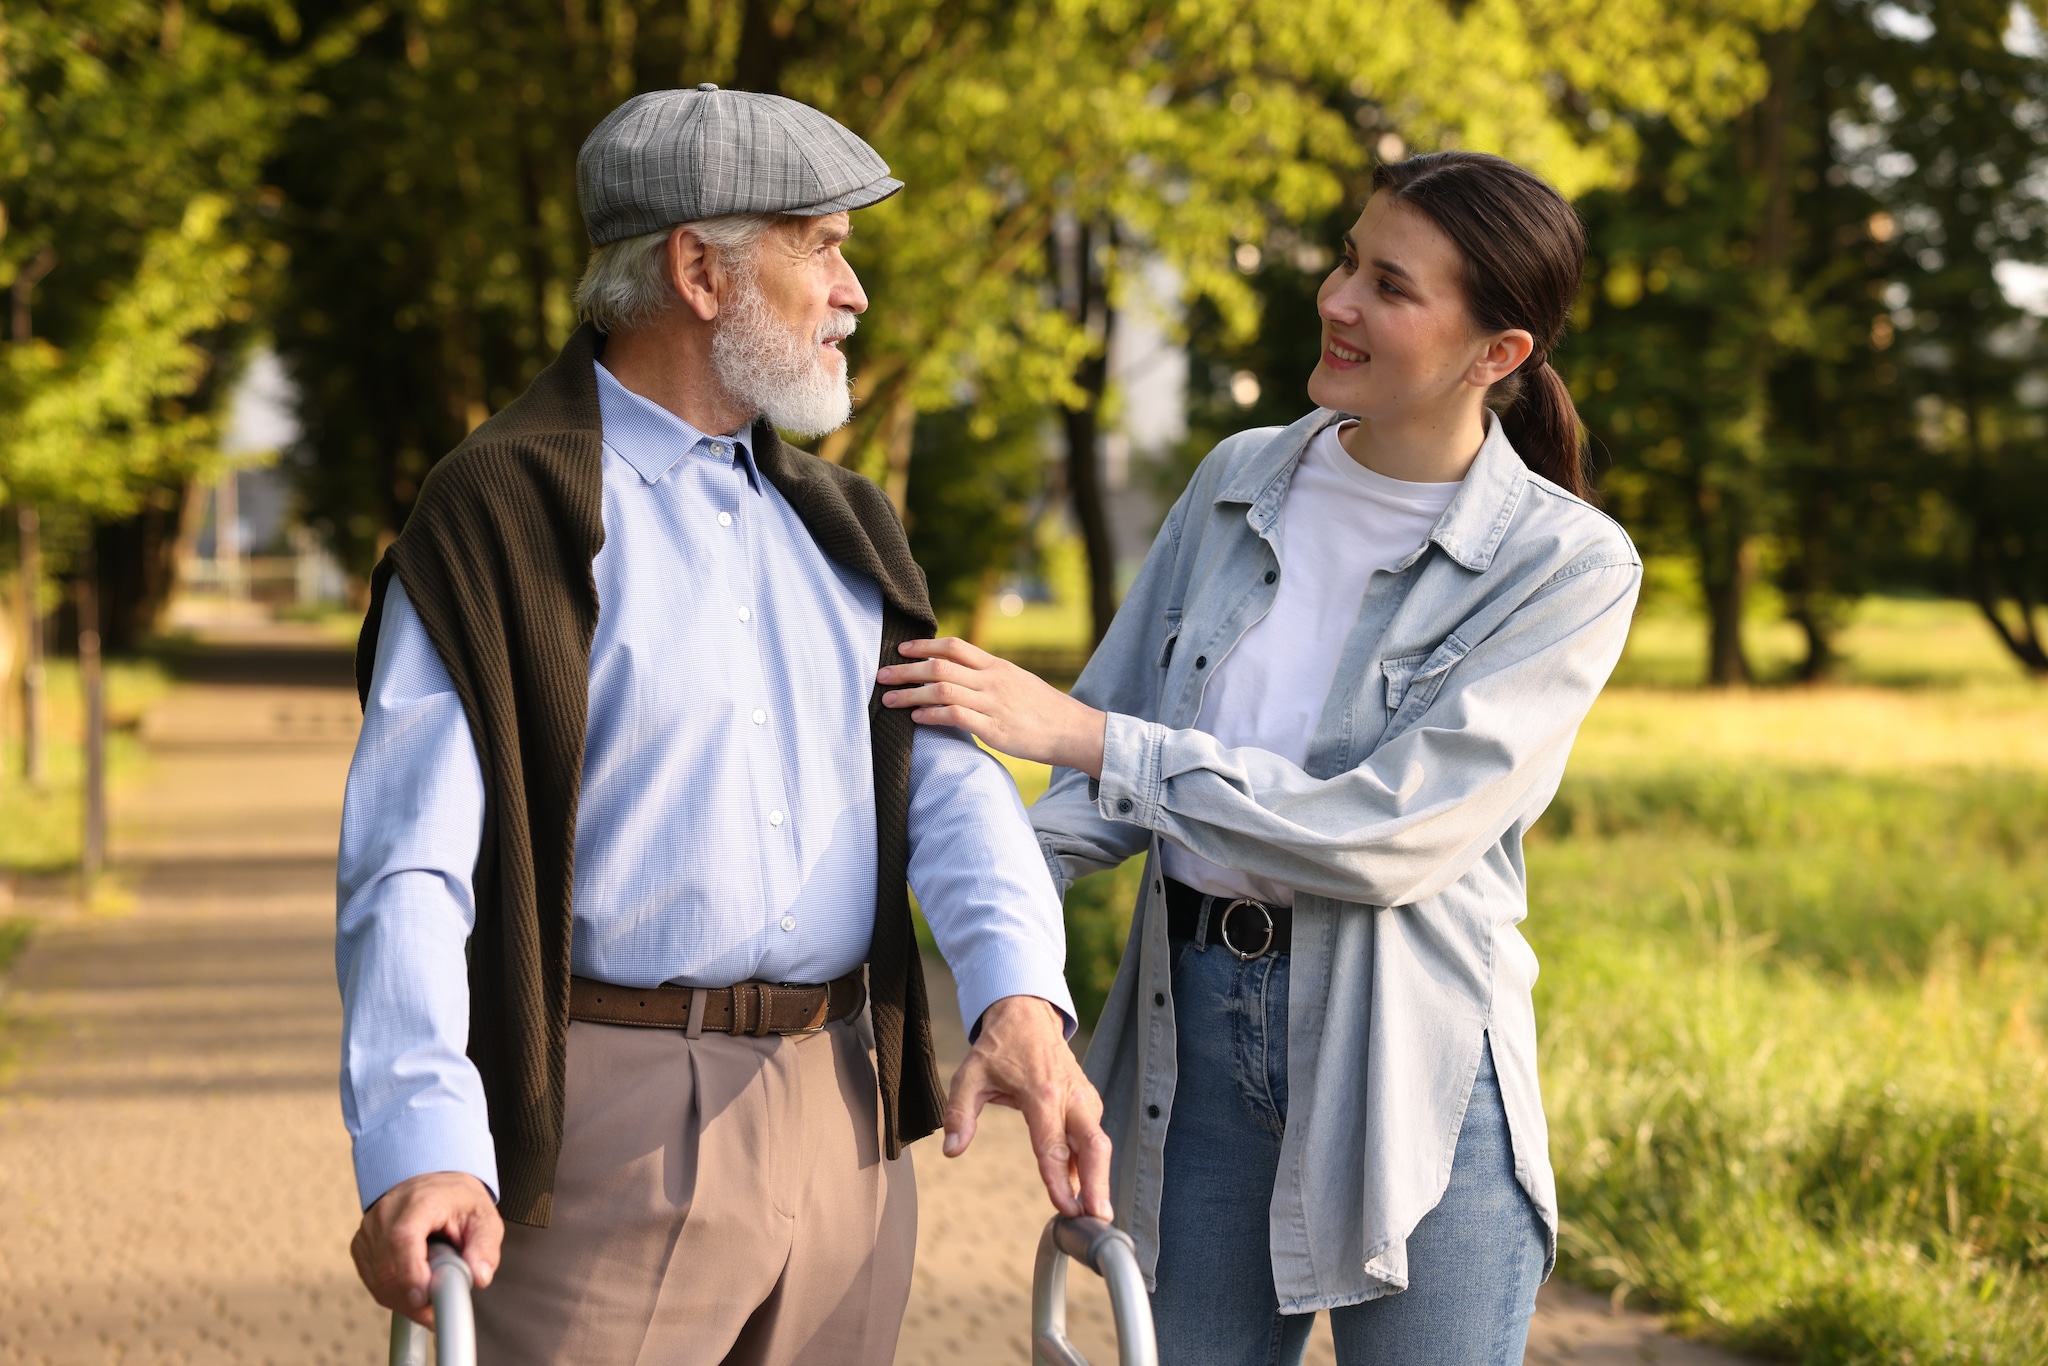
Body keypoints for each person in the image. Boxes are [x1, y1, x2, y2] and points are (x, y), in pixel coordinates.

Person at [336, 86, 1109, 1366]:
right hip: (605, 1120)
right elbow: (409, 864)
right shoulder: (500, 511)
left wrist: (1017, 993)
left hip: (843, 1110)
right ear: (697, 269)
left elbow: (948, 786)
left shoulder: (844, 522)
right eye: (821, 244)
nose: (852, 291)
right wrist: (420, 1147)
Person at [878, 151, 1643, 1364]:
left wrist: (1086, 734)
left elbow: (1386, 834)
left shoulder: (1564, 565)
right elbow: (1095, 801)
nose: (1337, 298)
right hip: (1189, 1048)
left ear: (1493, 354)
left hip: (1412, 1068)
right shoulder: (1238, 479)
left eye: (1388, 286)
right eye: (1347, 259)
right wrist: (970, 926)